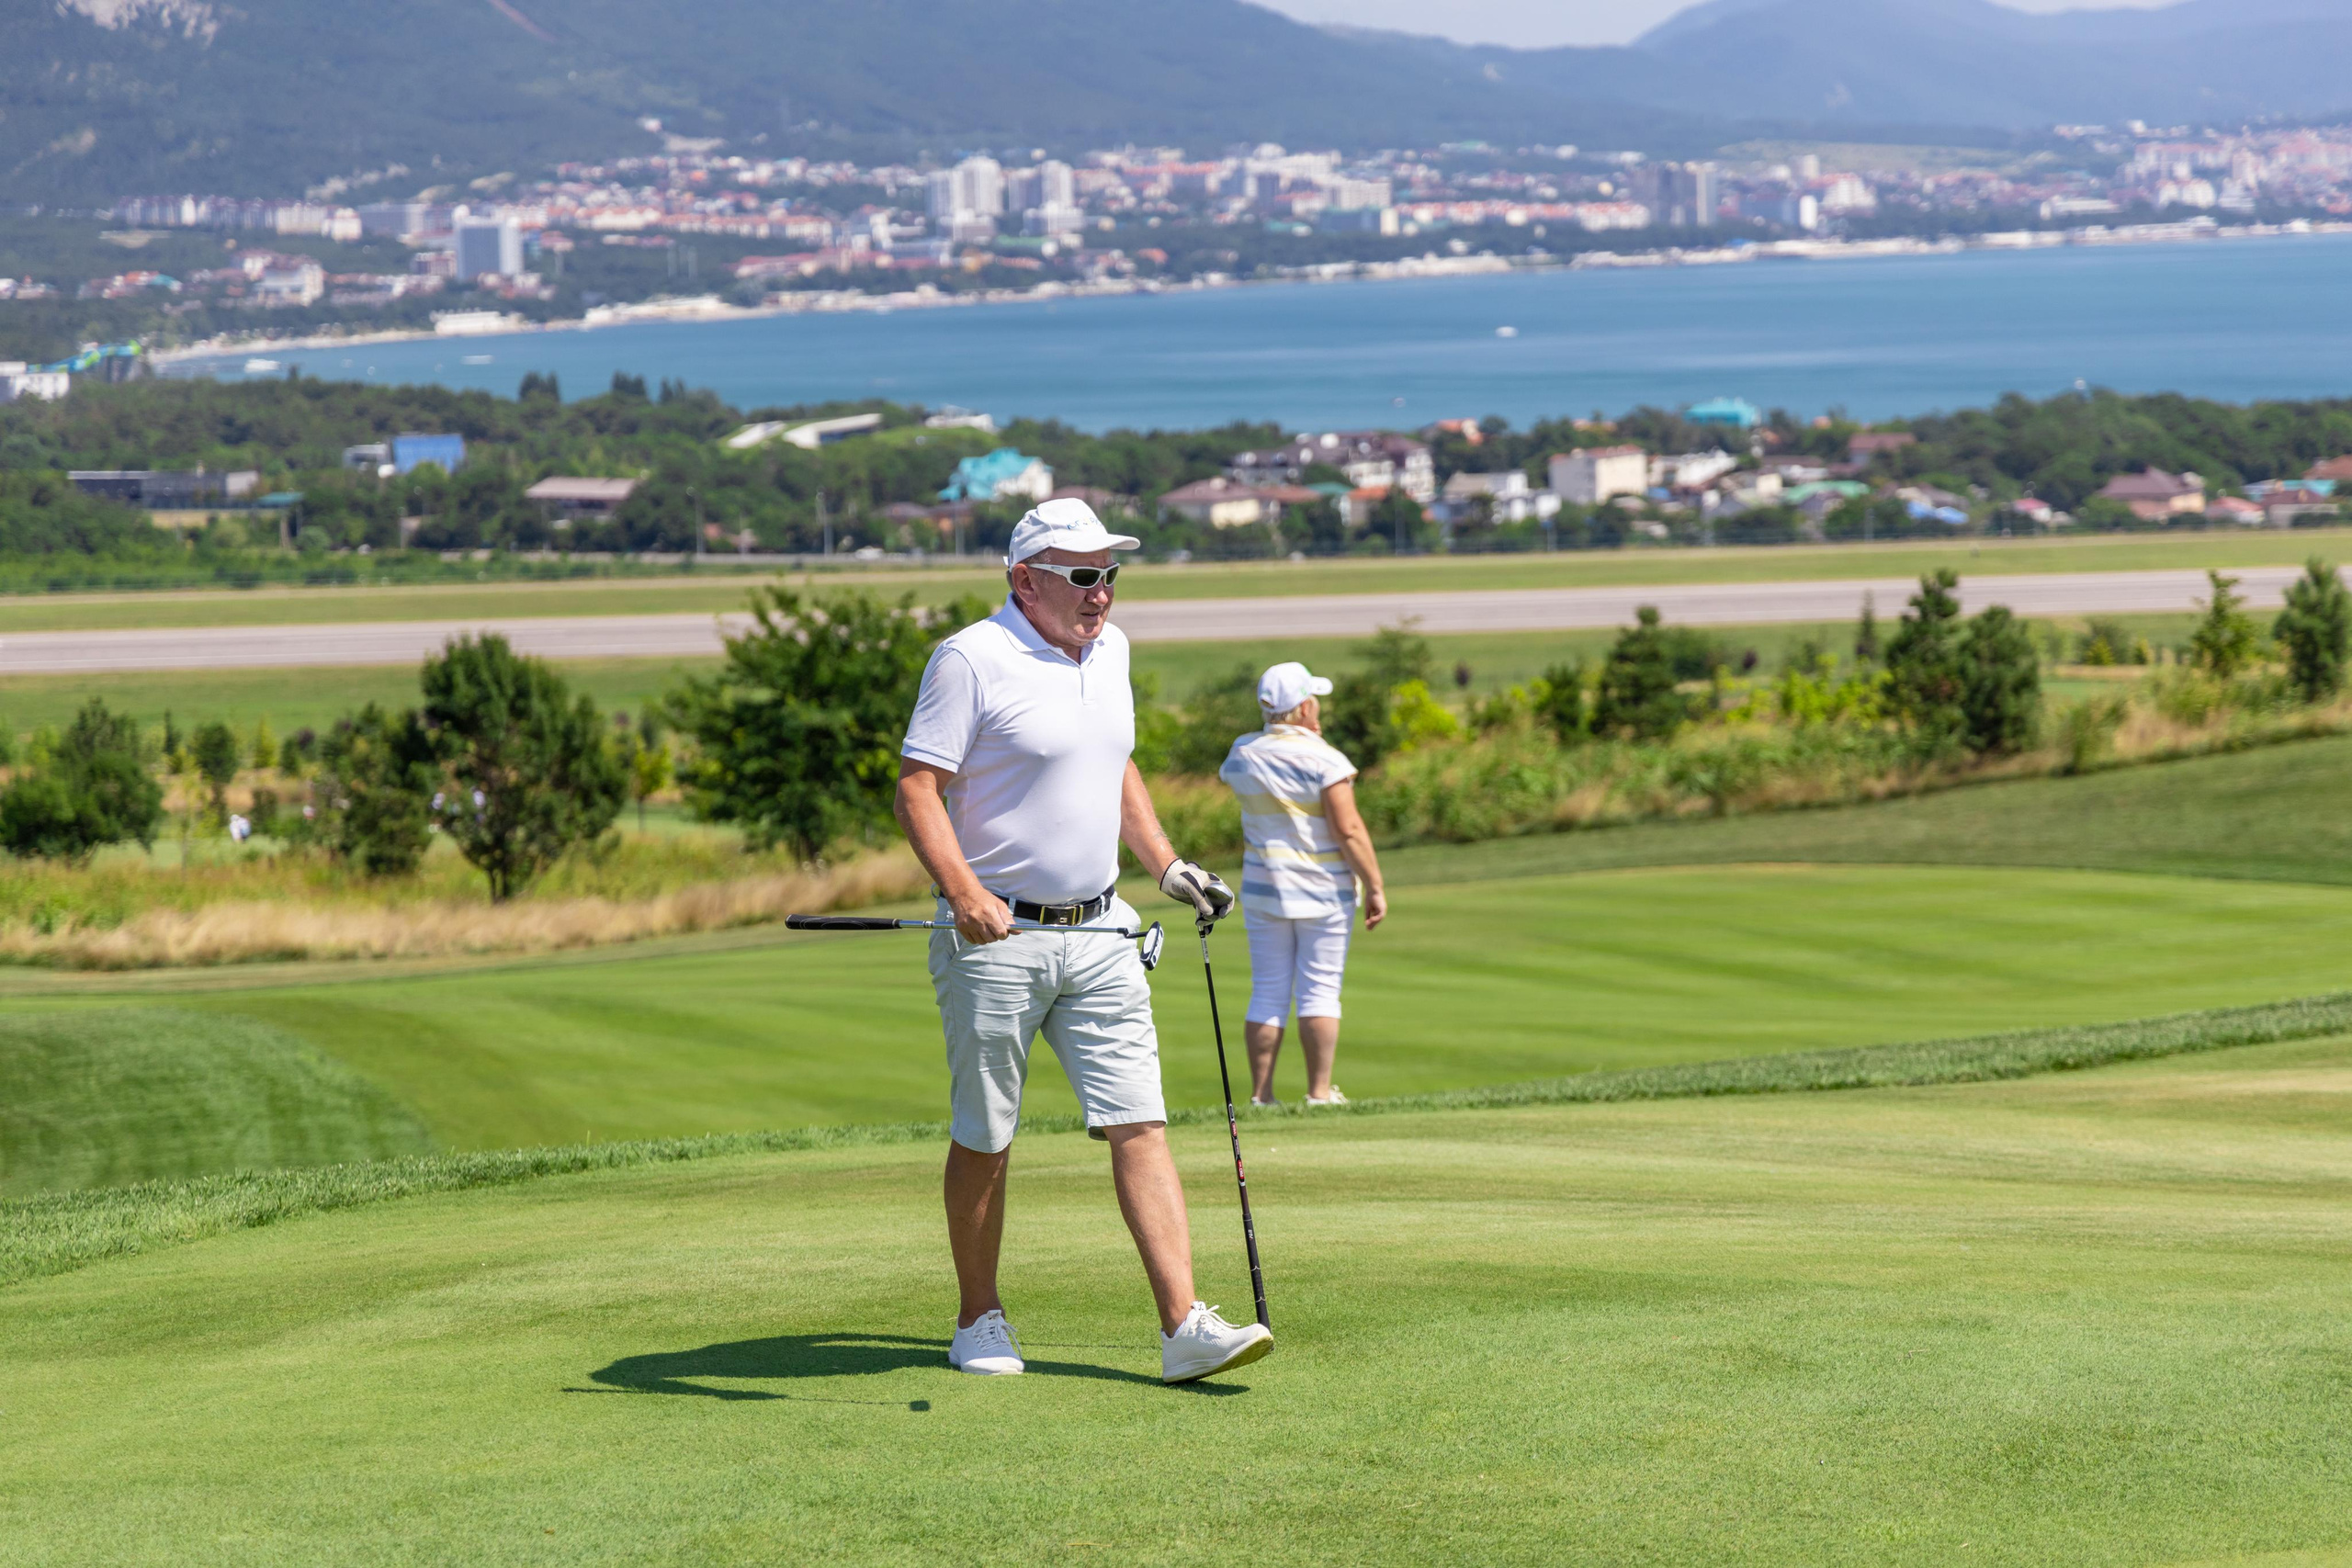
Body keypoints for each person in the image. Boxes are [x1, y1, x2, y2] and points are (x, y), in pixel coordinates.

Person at [894, 496, 1274, 1385]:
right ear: (1025, 581)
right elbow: (917, 788)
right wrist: (964, 893)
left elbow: (1114, 762)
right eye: (1081, 575)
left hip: (1102, 928)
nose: (1101, 591)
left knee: (1140, 1120)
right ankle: (977, 1318)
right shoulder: (971, 658)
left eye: (1109, 573)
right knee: (987, 1131)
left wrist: (1166, 865)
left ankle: (1184, 1326)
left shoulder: (1113, 652)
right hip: (997, 938)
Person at [1216, 661, 1388, 1108]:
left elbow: (1234, 775)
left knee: (1267, 990)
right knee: (1320, 990)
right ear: (1306, 707)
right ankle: (1319, 1093)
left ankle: (1262, 1096)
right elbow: (1348, 829)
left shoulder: (1242, 752)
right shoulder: (1325, 759)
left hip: (1263, 889)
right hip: (1323, 890)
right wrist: (1374, 884)